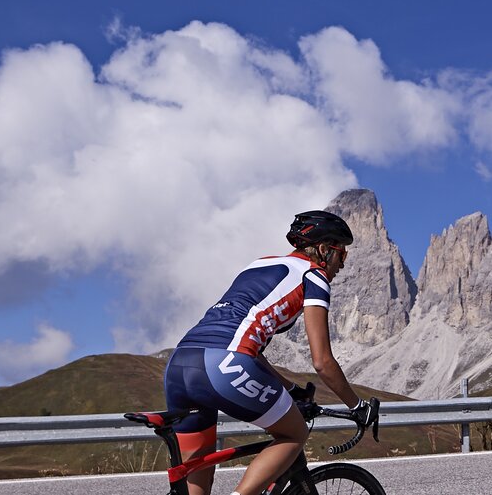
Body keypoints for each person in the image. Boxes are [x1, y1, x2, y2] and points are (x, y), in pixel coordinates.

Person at [162, 209, 380, 495]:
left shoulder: (258, 264)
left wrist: (291, 389)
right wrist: (356, 406)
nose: (342, 264)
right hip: (224, 363)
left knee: (198, 481)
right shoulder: (314, 276)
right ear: (325, 250)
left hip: (180, 364)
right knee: (295, 433)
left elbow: (251, 346)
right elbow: (323, 361)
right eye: (343, 254)